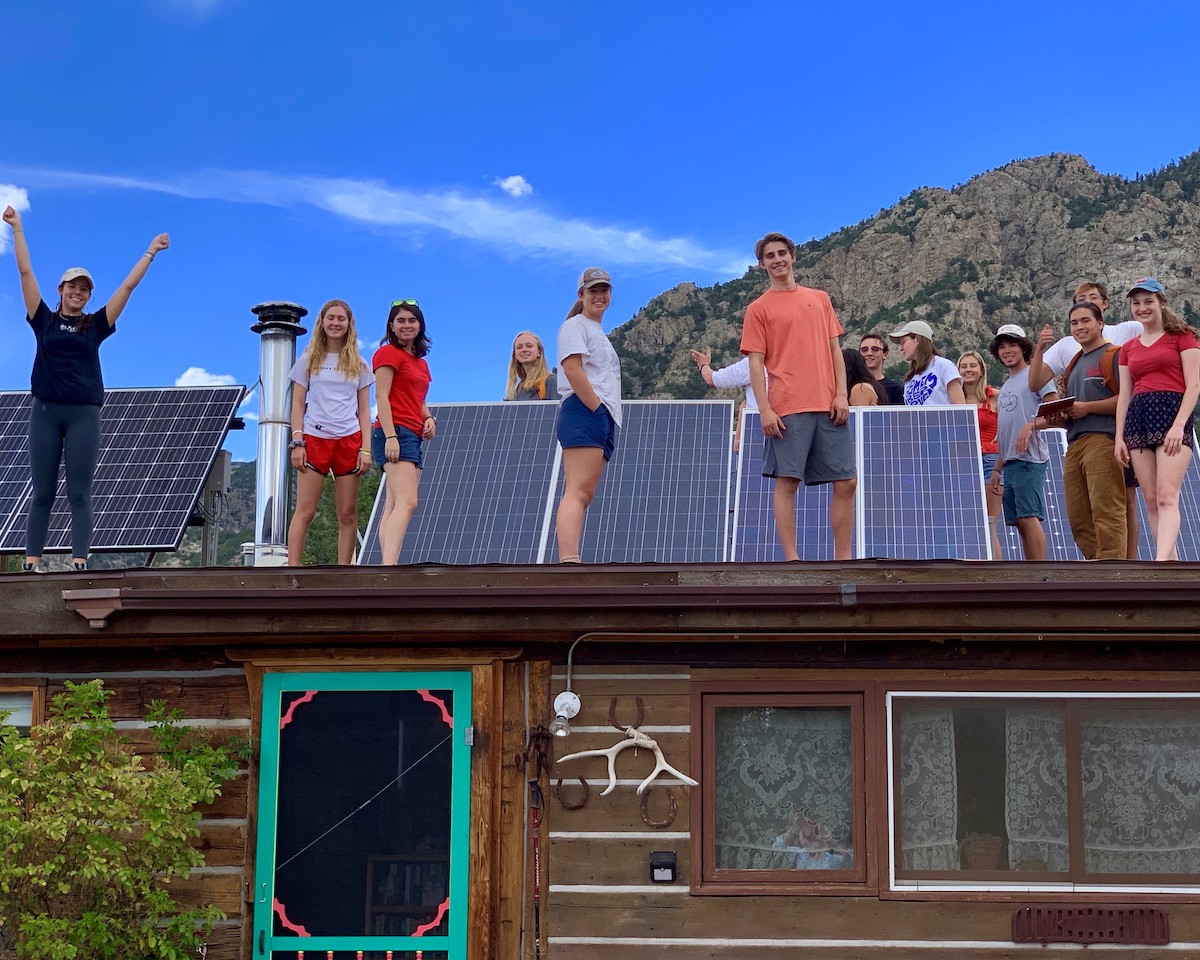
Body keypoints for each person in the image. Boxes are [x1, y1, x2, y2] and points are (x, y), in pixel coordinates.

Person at [3, 205, 169, 573]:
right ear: (60, 290)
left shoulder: (95, 325)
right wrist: (17, 227)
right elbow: (25, 271)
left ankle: (79, 561)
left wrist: (151, 252)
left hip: (83, 414)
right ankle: (32, 562)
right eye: (72, 287)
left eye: (84, 289)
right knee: (42, 491)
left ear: (89, 296)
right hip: (45, 411)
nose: (78, 292)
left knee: (79, 492)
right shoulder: (42, 319)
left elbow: (127, 287)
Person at [740, 232, 856, 561]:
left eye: (782, 253)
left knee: (846, 482)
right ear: (761, 264)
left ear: (793, 256)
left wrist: (841, 394)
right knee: (787, 482)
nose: (777, 259)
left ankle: (843, 560)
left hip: (828, 404)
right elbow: (756, 363)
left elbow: (835, 350)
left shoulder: (819, 299)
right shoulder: (758, 309)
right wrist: (764, 410)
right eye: (770, 256)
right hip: (787, 406)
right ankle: (793, 559)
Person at [1029, 280, 1143, 557]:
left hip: (1104, 441)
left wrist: (1088, 407)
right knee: (1079, 518)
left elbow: (1128, 400)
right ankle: (1098, 566)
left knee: (1108, 510)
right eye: (1074, 323)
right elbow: (1034, 383)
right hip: (1074, 443)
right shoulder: (1073, 363)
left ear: (1100, 322)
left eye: (1085, 321)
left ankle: (1114, 572)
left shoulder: (1115, 355)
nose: (1079, 327)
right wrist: (1062, 413)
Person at [1114, 278, 1200, 562]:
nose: (1142, 308)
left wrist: (1179, 425)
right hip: (1138, 419)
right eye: (1136, 303)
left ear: (1161, 302)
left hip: (1171, 415)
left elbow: (1195, 385)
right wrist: (1119, 438)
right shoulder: (1127, 348)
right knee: (1150, 499)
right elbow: (1124, 396)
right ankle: (1170, 564)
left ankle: (1160, 562)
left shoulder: (1183, 336)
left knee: (1166, 495)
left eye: (1148, 301)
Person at [286, 299, 374, 565]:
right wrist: (297, 440)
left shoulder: (359, 365)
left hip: (349, 440)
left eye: (341, 319)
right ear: (322, 322)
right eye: (331, 318)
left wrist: (366, 449)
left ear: (349, 325)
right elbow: (298, 404)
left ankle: (343, 572)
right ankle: (292, 570)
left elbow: (365, 412)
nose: (336, 323)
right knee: (306, 510)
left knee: (347, 513)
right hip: (314, 439)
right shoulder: (308, 360)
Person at [555, 268, 622, 563]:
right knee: (578, 491)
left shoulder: (597, 332)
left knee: (586, 492)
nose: (599, 295)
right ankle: (569, 560)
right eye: (593, 290)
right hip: (585, 410)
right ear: (581, 295)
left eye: (604, 290)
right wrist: (595, 406)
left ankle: (572, 558)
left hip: (601, 415)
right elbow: (571, 368)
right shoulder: (575, 326)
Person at [371, 299, 435, 565]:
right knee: (408, 502)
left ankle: (387, 564)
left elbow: (415, 397)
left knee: (394, 504)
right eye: (401, 320)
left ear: (420, 325)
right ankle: (390, 567)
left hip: (413, 433)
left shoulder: (419, 362)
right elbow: (382, 396)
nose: (407, 325)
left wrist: (428, 417)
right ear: (391, 326)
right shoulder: (387, 354)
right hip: (395, 432)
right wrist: (391, 437)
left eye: (412, 320)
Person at [989, 324, 1058, 561]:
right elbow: (1007, 432)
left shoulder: (1035, 375)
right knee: (1019, 521)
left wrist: (1031, 426)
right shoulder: (1007, 385)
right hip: (1010, 462)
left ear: (1023, 348)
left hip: (1029, 459)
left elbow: (1056, 411)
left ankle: (1040, 574)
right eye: (1003, 347)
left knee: (1029, 517)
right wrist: (998, 468)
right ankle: (1031, 571)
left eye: (1013, 345)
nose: (1007, 351)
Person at [958, 350, 1003, 559]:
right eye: (963, 366)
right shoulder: (953, 398)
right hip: (963, 461)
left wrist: (1000, 438)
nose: (968, 370)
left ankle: (997, 576)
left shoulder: (995, 396)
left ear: (981, 369)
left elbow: (1011, 420)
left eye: (972, 365)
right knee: (967, 522)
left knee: (988, 523)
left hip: (989, 461)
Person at [689, 348, 760, 453]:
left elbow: (711, 379)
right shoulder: (790, 363)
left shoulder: (752, 364)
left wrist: (703, 365)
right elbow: (746, 404)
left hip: (756, 436)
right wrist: (738, 437)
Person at [889, 321, 967, 406]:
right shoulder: (910, 379)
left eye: (903, 342)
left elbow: (960, 407)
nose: (901, 348)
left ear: (917, 340)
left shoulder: (944, 366)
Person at [505, 331, 558, 401]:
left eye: (529, 346)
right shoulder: (518, 389)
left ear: (539, 352)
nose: (524, 350)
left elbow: (557, 410)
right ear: (515, 355)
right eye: (519, 347)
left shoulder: (550, 381)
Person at [858, 333, 905, 404]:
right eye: (864, 350)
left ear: (885, 354)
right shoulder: (851, 387)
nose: (869, 353)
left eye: (875, 349)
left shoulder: (896, 389)